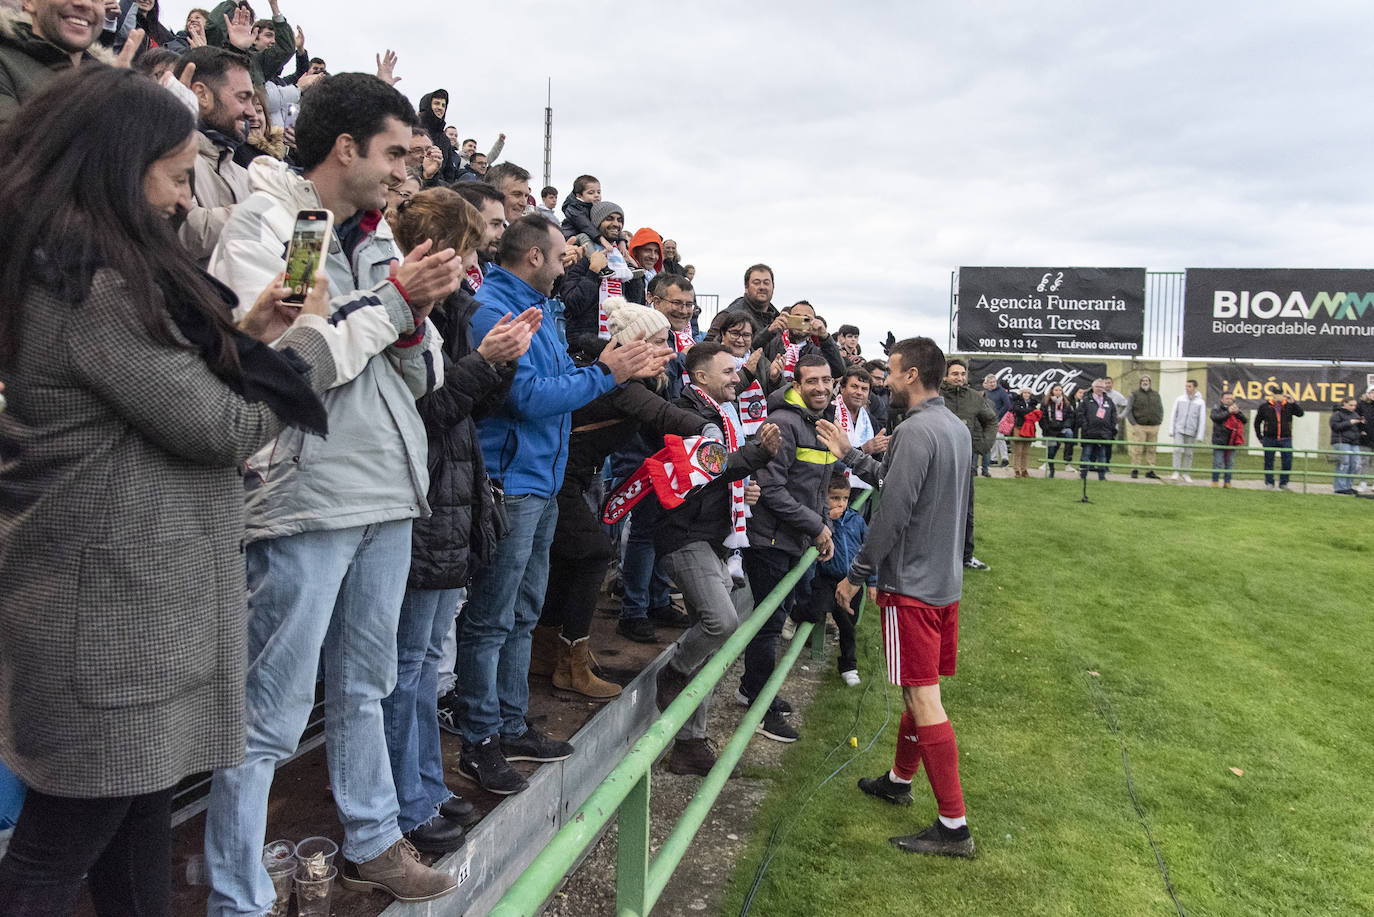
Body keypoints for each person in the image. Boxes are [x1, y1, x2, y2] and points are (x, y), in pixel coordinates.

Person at [0, 65, 338, 914]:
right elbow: (217, 427)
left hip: (125, 608)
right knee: (58, 850)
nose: (187, 198)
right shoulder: (90, 285)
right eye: (178, 173)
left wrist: (250, 332)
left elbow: (160, 384)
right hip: (110, 617)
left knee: (134, 826)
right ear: (121, 164)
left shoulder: (90, 272)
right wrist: (310, 346)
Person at [203, 72, 464, 906]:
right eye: (391, 152)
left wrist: (414, 318)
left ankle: (374, 837)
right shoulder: (266, 221)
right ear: (344, 147)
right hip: (304, 492)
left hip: (386, 485)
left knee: (366, 682)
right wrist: (390, 308)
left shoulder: (380, 237)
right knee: (268, 711)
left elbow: (422, 375)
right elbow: (281, 366)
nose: (401, 171)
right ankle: (236, 892)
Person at [451, 216, 658, 796]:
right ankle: (479, 739)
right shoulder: (494, 309)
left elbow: (563, 381)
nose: (569, 262)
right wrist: (605, 372)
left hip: (539, 480)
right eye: (561, 254)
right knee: (491, 616)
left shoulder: (540, 309)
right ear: (535, 257)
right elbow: (529, 399)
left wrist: (609, 370)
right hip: (510, 481)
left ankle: (512, 723)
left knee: (521, 611)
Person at [380, 188, 536, 855]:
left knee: (418, 658)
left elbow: (473, 404)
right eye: (468, 249)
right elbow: (426, 412)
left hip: (450, 493)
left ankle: (423, 784)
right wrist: (485, 360)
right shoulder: (406, 312)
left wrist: (502, 356)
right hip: (420, 497)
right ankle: (402, 799)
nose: (473, 266)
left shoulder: (455, 311)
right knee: (407, 663)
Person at [819, 337, 975, 858]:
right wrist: (853, 456)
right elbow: (901, 483)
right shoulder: (953, 426)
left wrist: (856, 575)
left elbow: (891, 514)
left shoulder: (913, 429)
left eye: (890, 370)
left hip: (911, 587)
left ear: (910, 374)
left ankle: (954, 826)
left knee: (922, 696)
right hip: (943, 583)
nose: (885, 379)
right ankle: (899, 781)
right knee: (919, 688)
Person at [534, 299, 703, 696]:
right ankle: (570, 662)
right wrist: (712, 430)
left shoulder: (631, 381)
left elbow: (658, 427)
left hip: (575, 478)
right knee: (592, 553)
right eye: (661, 342)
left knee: (568, 559)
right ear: (635, 343)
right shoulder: (619, 384)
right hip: (562, 478)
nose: (671, 351)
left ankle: (545, 652)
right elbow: (662, 416)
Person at [653, 343, 781, 773]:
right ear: (701, 377)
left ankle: (690, 744)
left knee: (711, 642)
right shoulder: (686, 412)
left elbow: (721, 475)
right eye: (727, 371)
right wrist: (757, 456)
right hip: (685, 536)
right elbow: (713, 467)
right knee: (721, 623)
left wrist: (744, 490)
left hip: (714, 535)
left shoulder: (722, 412)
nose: (736, 376)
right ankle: (673, 670)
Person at [741, 354, 840, 744]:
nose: (820, 387)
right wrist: (817, 526)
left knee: (779, 616)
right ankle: (760, 709)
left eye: (826, 380)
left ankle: (752, 687)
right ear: (796, 385)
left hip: (795, 540)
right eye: (811, 381)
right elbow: (771, 489)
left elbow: (819, 488)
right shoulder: (783, 422)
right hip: (769, 540)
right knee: (767, 626)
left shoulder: (821, 423)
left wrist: (825, 526)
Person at [175, 46, 257, 263]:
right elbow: (188, 233)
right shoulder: (165, 162)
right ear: (201, 94)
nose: (252, 112)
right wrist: (265, 211)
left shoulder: (243, 175)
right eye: (243, 98)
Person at [802, 474, 877, 686]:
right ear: (824, 498)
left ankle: (849, 666)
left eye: (844, 498)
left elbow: (868, 552)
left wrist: (871, 583)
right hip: (826, 579)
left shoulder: (856, 520)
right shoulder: (820, 523)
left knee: (848, 626)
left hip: (852, 583)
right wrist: (828, 523)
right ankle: (796, 614)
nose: (840, 503)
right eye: (834, 498)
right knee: (816, 611)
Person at [0, 0, 109, 126]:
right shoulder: (5, 63)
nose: (85, 3)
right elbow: (11, 142)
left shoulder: (107, 79)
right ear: (29, 2)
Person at [938, 359, 994, 571]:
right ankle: (937, 553)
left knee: (966, 511)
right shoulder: (936, 395)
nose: (960, 378)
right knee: (936, 508)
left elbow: (991, 420)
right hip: (939, 459)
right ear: (945, 376)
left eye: (962, 374)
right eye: (955, 374)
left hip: (965, 462)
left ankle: (966, 556)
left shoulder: (974, 397)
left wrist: (982, 445)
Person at [1254, 392, 1305, 489]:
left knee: (1287, 461)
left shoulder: (1289, 406)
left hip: (1286, 438)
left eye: (1280, 394)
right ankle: (1269, 482)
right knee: (1268, 461)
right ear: (1272, 395)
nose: (1278, 396)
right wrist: (1259, 436)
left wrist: (1293, 403)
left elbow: (1301, 414)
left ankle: (1283, 483)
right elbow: (1257, 422)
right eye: (1276, 394)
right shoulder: (1264, 406)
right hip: (1269, 438)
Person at [1076, 378, 1116, 480]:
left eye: (1102, 387)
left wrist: (1111, 428)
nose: (1099, 389)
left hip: (1104, 433)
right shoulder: (1086, 400)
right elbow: (1080, 414)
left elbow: (1113, 415)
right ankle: (1083, 476)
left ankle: (1102, 477)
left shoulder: (1109, 401)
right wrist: (1085, 426)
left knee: (1102, 456)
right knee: (1086, 454)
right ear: (1093, 387)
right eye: (1097, 387)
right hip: (1089, 433)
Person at [1125, 374, 1163, 479]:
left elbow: (1160, 408)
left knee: (1152, 449)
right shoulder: (1135, 395)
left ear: (1150, 382)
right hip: (1140, 426)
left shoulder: (1156, 395)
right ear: (1140, 382)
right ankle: (1135, 469)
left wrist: (1159, 421)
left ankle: (1150, 470)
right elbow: (1129, 410)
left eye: (1147, 380)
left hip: (1153, 426)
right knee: (1137, 449)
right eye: (1143, 380)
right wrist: (1134, 424)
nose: (1145, 382)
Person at [723, 263, 780, 333]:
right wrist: (767, 334)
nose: (762, 287)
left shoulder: (777, 318)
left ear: (773, 287)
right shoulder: (727, 316)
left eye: (766, 283)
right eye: (756, 283)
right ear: (746, 287)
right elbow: (710, 343)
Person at [1168, 379, 1206, 483]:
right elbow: (1173, 415)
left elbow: (1202, 419)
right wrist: (1172, 430)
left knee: (1189, 453)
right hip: (1179, 430)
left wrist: (1200, 435)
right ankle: (1175, 472)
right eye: (1186, 386)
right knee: (1177, 450)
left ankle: (1186, 473)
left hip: (1191, 431)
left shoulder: (1200, 402)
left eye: (1189, 386)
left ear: (1195, 388)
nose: (1187, 388)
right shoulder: (1180, 399)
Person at [1209, 392, 1247, 488]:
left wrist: (1237, 412)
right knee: (1218, 463)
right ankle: (1215, 482)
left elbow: (1244, 420)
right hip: (1219, 440)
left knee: (1230, 463)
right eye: (1227, 398)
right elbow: (1215, 418)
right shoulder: (1217, 408)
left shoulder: (1236, 409)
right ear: (1222, 399)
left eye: (1231, 398)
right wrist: (1228, 412)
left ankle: (1227, 482)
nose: (1229, 400)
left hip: (1232, 441)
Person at [1329, 397, 1364, 495]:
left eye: (1354, 405)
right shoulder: (1337, 414)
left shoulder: (1355, 414)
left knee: (1356, 465)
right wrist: (1349, 422)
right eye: (1351, 405)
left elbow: (1357, 429)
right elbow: (1335, 427)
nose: (1353, 407)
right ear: (1344, 404)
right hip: (1341, 441)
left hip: (1354, 442)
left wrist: (1362, 427)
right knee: (1344, 464)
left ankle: (1348, 486)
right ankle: (1340, 487)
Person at [1039, 384, 1072, 478]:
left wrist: (1065, 425)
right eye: (1056, 390)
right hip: (1049, 430)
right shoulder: (1046, 402)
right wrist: (1046, 428)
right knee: (1051, 451)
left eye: (1060, 390)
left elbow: (1070, 416)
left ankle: (1067, 459)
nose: (1058, 392)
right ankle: (1051, 470)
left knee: (1069, 434)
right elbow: (1042, 416)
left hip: (1061, 429)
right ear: (1052, 391)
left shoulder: (1065, 402)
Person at [981, 373, 1011, 471]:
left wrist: (999, 415)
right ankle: (994, 458)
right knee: (992, 438)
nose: (992, 384)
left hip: (999, 419)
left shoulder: (1002, 391)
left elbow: (1007, 405)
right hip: (989, 418)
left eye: (994, 382)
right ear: (987, 383)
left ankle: (1004, 458)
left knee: (1000, 438)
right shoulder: (986, 392)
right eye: (990, 382)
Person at [1008, 388, 1040, 478]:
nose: (1026, 394)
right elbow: (1018, 411)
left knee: (1025, 451)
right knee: (1018, 450)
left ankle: (1024, 469)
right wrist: (1029, 412)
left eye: (1028, 393)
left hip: (1029, 428)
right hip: (1019, 427)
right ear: (1021, 393)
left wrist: (1026, 411)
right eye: (1024, 393)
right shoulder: (1017, 402)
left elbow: (1035, 413)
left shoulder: (1033, 403)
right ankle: (1016, 469)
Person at [559, 173, 600, 239]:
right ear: (579, 196)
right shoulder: (573, 208)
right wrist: (601, 238)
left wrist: (621, 239)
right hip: (570, 237)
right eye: (591, 193)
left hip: (590, 236)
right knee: (584, 237)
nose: (596, 195)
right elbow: (586, 226)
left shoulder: (596, 208)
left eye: (598, 192)